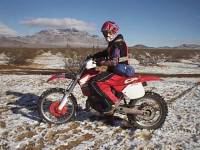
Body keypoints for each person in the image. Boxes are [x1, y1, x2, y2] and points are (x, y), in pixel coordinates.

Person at [90, 21, 134, 114]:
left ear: (113, 31)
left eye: (107, 32)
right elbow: (105, 53)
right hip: (115, 69)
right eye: (104, 33)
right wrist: (92, 57)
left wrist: (100, 62)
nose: (106, 35)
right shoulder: (113, 43)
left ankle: (113, 103)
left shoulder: (118, 44)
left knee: (96, 81)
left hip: (119, 69)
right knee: (93, 70)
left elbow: (114, 62)